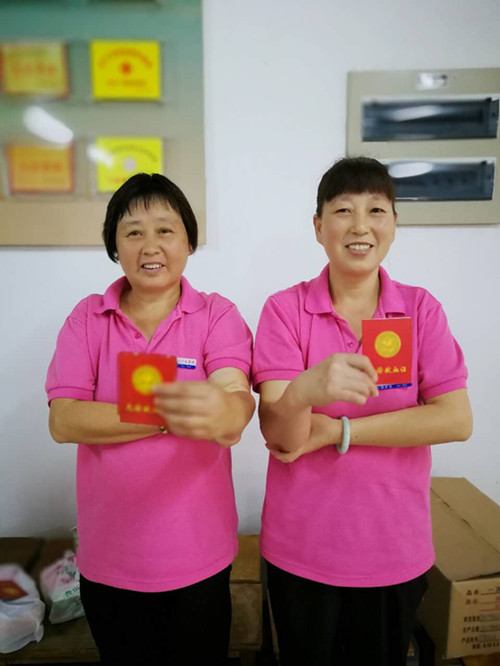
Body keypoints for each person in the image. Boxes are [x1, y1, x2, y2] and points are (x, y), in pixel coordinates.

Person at [252, 157, 472, 666]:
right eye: (343, 210)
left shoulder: (419, 310)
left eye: (376, 210)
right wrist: (304, 391)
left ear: (394, 223)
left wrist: (339, 430)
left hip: (394, 550)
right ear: (318, 226)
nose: (360, 225)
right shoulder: (285, 310)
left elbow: (455, 419)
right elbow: (283, 439)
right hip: (302, 552)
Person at [46, 173, 255, 666]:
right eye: (133, 232)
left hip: (199, 556)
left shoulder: (216, 315)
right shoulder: (88, 318)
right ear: (114, 246)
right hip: (109, 560)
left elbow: (233, 404)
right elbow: (65, 421)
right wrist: (170, 415)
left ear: (188, 241)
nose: (150, 245)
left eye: (165, 229)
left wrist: (229, 409)